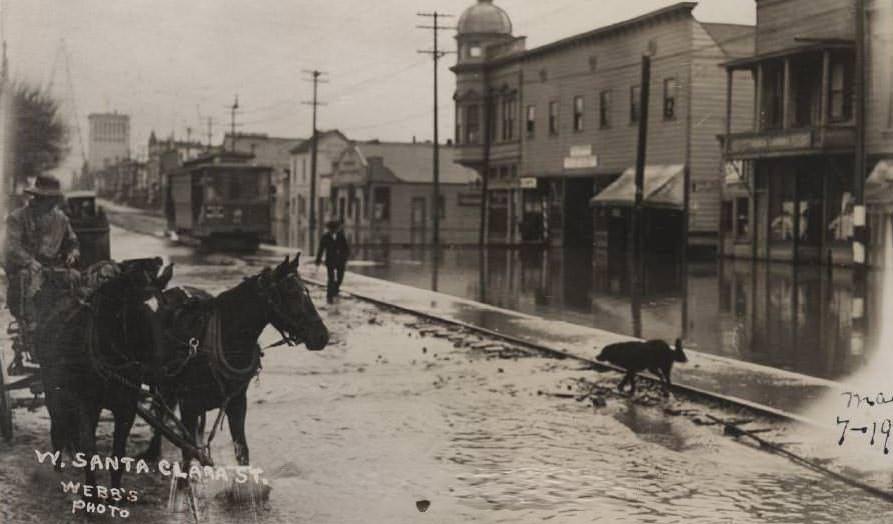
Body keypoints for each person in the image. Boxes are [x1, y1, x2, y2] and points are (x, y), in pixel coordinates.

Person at [4, 174, 80, 338]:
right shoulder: (17, 218)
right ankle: (31, 325)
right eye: (46, 198)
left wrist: (72, 254)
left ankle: (69, 323)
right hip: (26, 267)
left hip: (54, 266)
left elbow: (72, 242)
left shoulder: (61, 219)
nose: (51, 203)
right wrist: (29, 261)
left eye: (53, 199)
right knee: (28, 281)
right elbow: (11, 247)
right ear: (37, 197)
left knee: (76, 278)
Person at [315, 219, 350, 302]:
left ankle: (335, 289)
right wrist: (318, 260)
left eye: (335, 228)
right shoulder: (325, 237)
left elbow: (346, 248)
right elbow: (321, 249)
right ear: (329, 229)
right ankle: (329, 296)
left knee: (340, 278)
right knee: (331, 278)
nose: (333, 230)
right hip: (330, 260)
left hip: (340, 261)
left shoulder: (341, 236)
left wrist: (345, 257)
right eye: (331, 228)